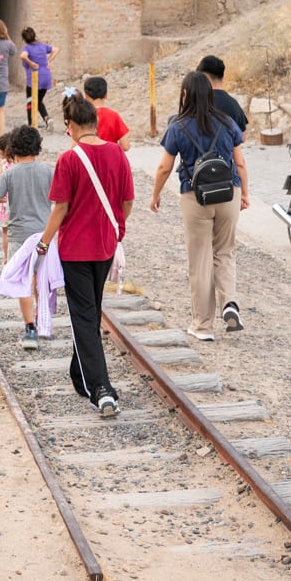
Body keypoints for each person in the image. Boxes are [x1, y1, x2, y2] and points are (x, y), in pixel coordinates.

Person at [33, 90, 134, 418]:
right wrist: (116, 228)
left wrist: (43, 244)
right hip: (105, 247)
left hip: (75, 249)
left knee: (84, 315)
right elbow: (127, 201)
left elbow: (60, 208)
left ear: (73, 125)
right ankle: (80, 376)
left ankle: (101, 389)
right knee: (91, 310)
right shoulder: (117, 154)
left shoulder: (69, 159)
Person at [149, 71, 250, 341]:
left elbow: (164, 167)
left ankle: (203, 326)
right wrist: (244, 193)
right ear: (209, 94)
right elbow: (240, 163)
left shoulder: (178, 127)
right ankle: (229, 302)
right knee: (225, 251)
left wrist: (155, 195)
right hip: (228, 193)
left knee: (200, 258)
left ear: (185, 95)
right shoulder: (228, 123)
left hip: (196, 197)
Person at [0, 126, 57, 348]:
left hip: (19, 237)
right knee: (41, 280)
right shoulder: (48, 172)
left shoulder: (9, 174)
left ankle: (30, 328)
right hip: (45, 236)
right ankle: (41, 319)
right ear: (37, 147)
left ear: (13, 148)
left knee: (24, 282)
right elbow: (62, 204)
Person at [195, 55, 248, 131]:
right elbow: (242, 135)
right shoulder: (234, 104)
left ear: (204, 77)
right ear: (222, 77)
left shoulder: (197, 103)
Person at [82, 76, 132, 150]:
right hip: (110, 156)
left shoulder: (81, 115)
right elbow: (125, 146)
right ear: (106, 95)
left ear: (86, 95)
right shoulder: (113, 115)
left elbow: (75, 146)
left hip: (88, 156)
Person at [19, 27, 56, 125]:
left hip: (34, 79)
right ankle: (47, 118)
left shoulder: (27, 48)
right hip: (46, 77)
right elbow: (56, 49)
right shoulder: (43, 46)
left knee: (30, 101)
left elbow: (23, 56)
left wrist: (31, 63)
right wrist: (49, 60)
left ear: (24, 39)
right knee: (38, 100)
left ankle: (31, 124)